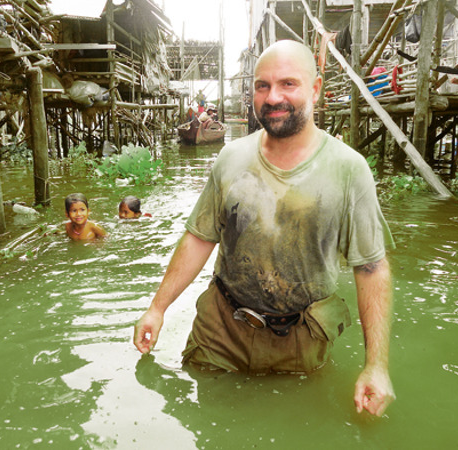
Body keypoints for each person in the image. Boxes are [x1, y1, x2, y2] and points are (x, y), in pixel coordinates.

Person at [132, 40, 395, 417]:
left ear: (316, 88)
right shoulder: (231, 158)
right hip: (221, 327)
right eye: (262, 85)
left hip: (302, 335)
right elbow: (199, 236)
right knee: (209, 425)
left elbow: (371, 267)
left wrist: (377, 365)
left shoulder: (348, 170)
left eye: (289, 83)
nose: (273, 97)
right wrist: (157, 309)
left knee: (299, 425)